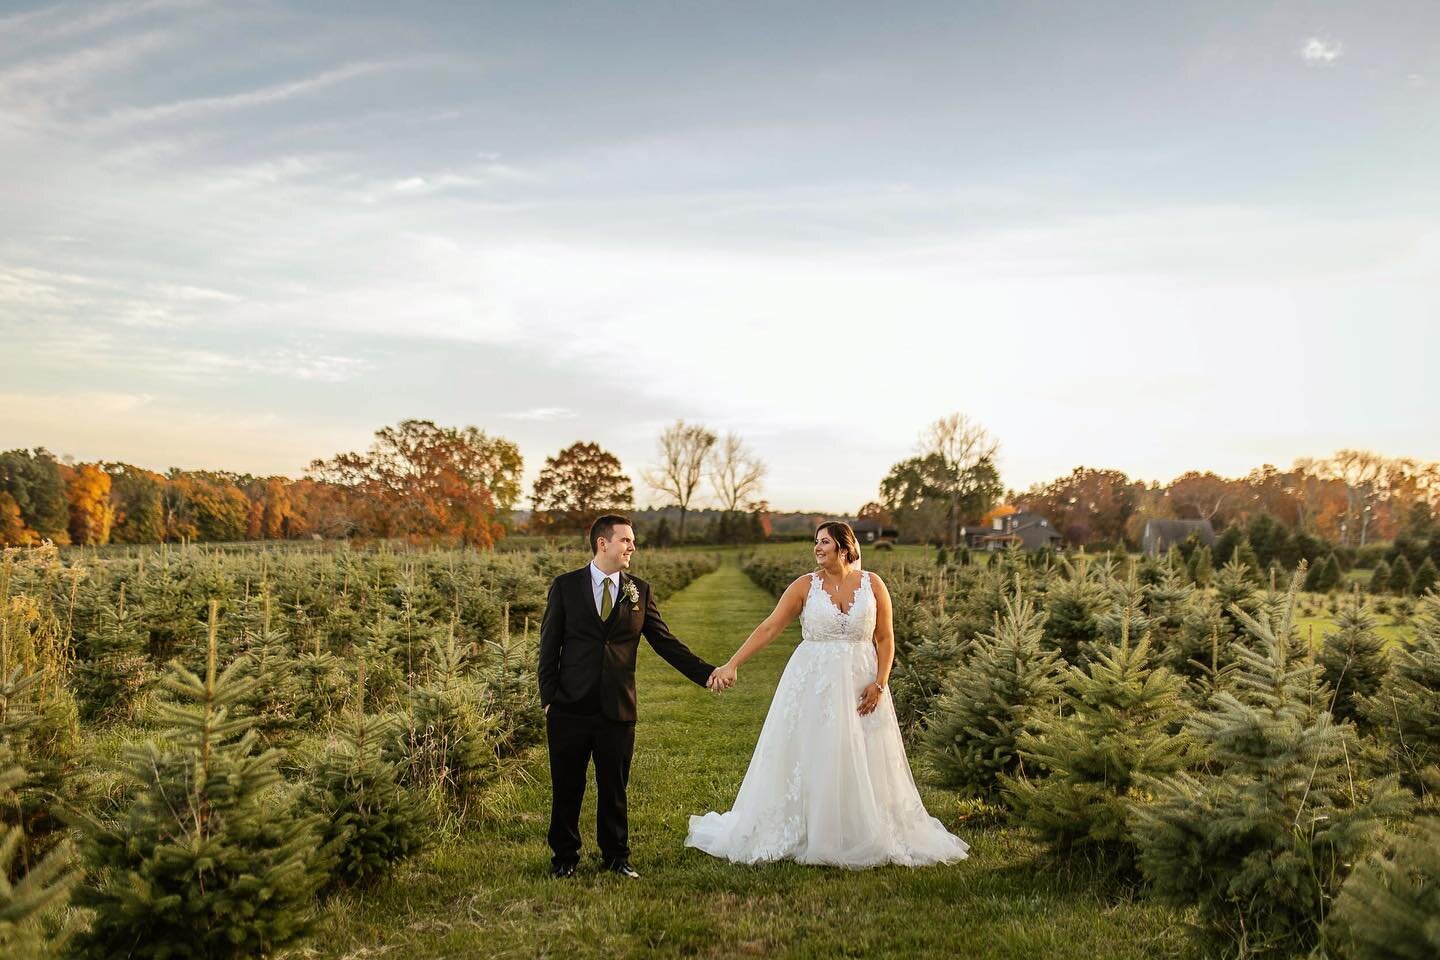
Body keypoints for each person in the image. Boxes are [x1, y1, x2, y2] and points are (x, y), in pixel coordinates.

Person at [687, 520, 968, 867]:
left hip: (862, 682)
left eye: (824, 542)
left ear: (844, 547)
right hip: (812, 682)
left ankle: (860, 829)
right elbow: (770, 626)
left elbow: (885, 638)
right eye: (815, 542)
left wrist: (880, 683)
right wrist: (732, 664)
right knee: (816, 752)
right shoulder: (804, 586)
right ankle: (809, 828)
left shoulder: (873, 585)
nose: (817, 548)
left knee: (864, 753)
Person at [538, 514, 731, 879]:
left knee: (614, 787)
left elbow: (665, 642)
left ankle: (616, 857)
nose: (632, 547)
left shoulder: (639, 590)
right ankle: (564, 858)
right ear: (602, 543)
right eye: (625, 540)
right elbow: (548, 647)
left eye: (632, 541)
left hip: (617, 707)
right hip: (569, 707)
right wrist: (549, 698)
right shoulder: (565, 587)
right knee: (567, 787)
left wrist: (707, 673)